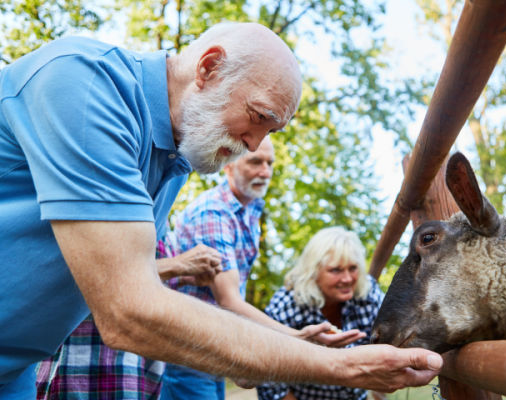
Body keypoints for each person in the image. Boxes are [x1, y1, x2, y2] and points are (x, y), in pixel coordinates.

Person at [0, 20, 443, 399]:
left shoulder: (173, 159)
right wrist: (347, 367)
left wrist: (283, 342)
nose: (254, 143)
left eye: (271, 130)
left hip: (14, 369)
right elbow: (127, 308)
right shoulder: (85, 81)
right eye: (257, 116)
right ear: (209, 67)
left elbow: (122, 276)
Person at [160, 138, 365, 400]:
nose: (265, 172)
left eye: (269, 163)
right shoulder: (215, 213)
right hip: (187, 346)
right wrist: (295, 337)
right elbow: (229, 300)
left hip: (210, 344)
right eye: (255, 161)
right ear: (228, 165)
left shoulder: (248, 212)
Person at [35, 241, 222, 399]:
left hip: (136, 375)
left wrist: (181, 278)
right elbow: (88, 273)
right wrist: (176, 265)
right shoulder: (98, 205)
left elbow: (141, 283)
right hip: (84, 375)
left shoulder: (157, 218)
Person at [257, 227, 385, 400]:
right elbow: (268, 377)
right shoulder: (288, 304)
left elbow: (386, 343)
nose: (347, 278)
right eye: (336, 270)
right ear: (314, 272)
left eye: (353, 268)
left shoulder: (367, 292)